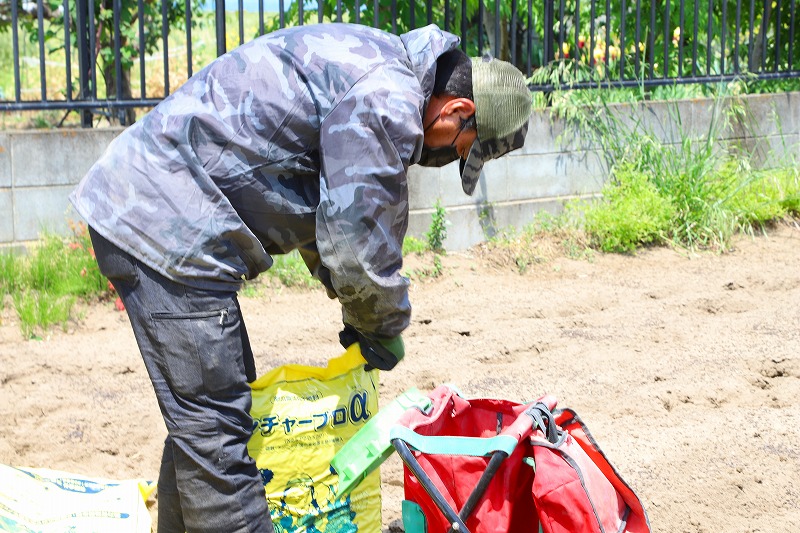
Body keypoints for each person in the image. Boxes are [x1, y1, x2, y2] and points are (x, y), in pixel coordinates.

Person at [70, 22, 531, 533]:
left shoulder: (376, 65)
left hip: (162, 212)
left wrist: (358, 307)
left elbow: (325, 217)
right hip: (165, 224)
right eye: (461, 149)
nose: (445, 158)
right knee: (218, 436)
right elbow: (359, 242)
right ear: (457, 110)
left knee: (210, 423)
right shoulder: (385, 98)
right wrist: (381, 322)